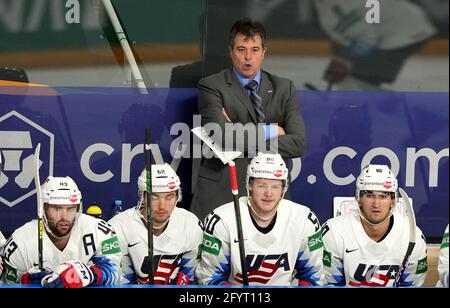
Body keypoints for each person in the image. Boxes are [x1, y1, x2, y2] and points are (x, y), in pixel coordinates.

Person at [190, 18, 306, 221]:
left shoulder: (284, 88)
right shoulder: (211, 86)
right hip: (222, 188)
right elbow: (220, 136)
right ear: (230, 51)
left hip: (270, 192)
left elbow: (297, 143)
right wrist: (271, 130)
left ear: (264, 52)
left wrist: (236, 132)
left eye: (254, 50)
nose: (247, 57)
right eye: (241, 49)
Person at [195, 152, 323, 286]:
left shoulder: (304, 219)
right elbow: (209, 277)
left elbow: (313, 277)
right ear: (249, 185)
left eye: (275, 186)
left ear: (283, 189)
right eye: (262, 185)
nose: (268, 193)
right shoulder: (222, 219)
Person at [1, 176, 121, 288]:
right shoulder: (19, 242)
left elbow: (116, 271)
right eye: (57, 208)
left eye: (70, 208)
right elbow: (9, 283)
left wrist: (89, 274)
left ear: (78, 208)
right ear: (43, 208)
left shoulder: (102, 230)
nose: (64, 217)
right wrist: (26, 282)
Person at [321, 164, 428, 287]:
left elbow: (411, 285)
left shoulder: (412, 235)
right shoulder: (334, 232)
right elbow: (329, 284)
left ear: (393, 201)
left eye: (383, 196)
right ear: (359, 199)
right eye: (370, 195)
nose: (376, 204)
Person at [109, 164, 203, 284]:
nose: (162, 206)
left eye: (169, 197)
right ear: (142, 197)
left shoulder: (190, 224)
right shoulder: (119, 226)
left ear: (177, 197)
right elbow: (116, 281)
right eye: (154, 197)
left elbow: (192, 279)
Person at [313, 0, 437, 90]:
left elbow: (368, 39)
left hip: (403, 32)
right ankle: (417, 115)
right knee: (361, 81)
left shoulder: (334, 8)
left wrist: (345, 58)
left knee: (352, 80)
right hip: (406, 25)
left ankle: (353, 117)